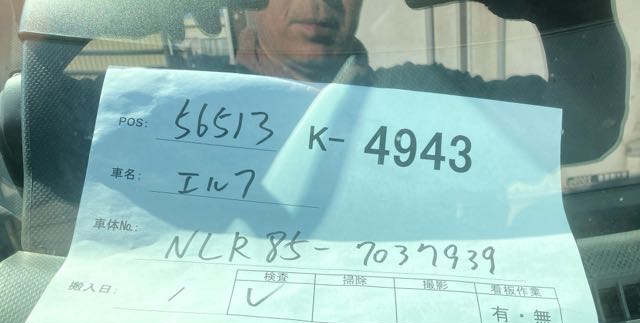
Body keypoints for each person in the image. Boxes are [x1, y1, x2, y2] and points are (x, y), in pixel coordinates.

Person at [232, 0, 626, 164]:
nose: (319, 2)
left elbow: (575, 131)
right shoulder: (203, 101)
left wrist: (567, 11)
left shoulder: (423, 94)